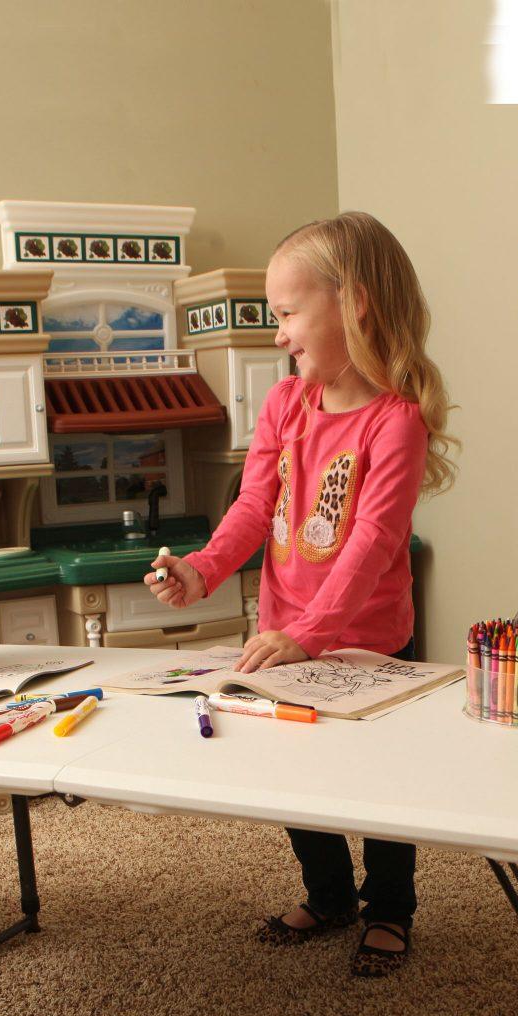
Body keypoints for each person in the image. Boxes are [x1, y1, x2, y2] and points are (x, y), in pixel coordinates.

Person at [145, 211, 457, 977]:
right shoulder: (285, 404)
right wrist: (202, 570)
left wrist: (311, 633)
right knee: (293, 771)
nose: (279, 334)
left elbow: (373, 543)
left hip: (369, 638)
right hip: (284, 632)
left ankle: (390, 907)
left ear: (355, 303)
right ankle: (329, 895)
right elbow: (254, 508)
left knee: (378, 780)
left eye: (287, 313)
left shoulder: (396, 422)